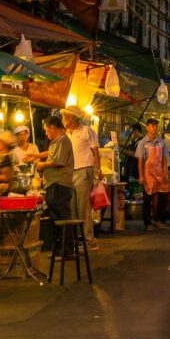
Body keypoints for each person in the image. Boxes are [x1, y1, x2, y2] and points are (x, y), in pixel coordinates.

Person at [61, 106, 100, 250]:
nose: (62, 120)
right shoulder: (66, 134)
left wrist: (98, 169)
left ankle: (90, 240)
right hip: (70, 173)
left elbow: (95, 151)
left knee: (83, 208)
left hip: (84, 172)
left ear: (72, 118)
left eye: (65, 117)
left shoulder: (86, 131)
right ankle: (78, 240)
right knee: (73, 209)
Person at [38, 115, 75, 253]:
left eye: (47, 130)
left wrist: (42, 165)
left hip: (60, 185)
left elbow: (59, 161)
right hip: (54, 184)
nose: (46, 133)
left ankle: (67, 250)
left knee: (62, 217)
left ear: (52, 128)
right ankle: (60, 249)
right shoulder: (58, 141)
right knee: (56, 218)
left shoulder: (64, 140)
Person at [135, 117, 170, 231]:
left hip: (160, 172)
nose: (155, 128)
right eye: (152, 126)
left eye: (156, 126)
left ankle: (157, 219)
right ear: (147, 127)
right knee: (147, 199)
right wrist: (141, 175)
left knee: (163, 197)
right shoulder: (142, 143)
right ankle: (147, 223)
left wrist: (166, 172)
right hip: (148, 174)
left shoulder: (161, 142)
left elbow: (164, 158)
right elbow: (140, 160)